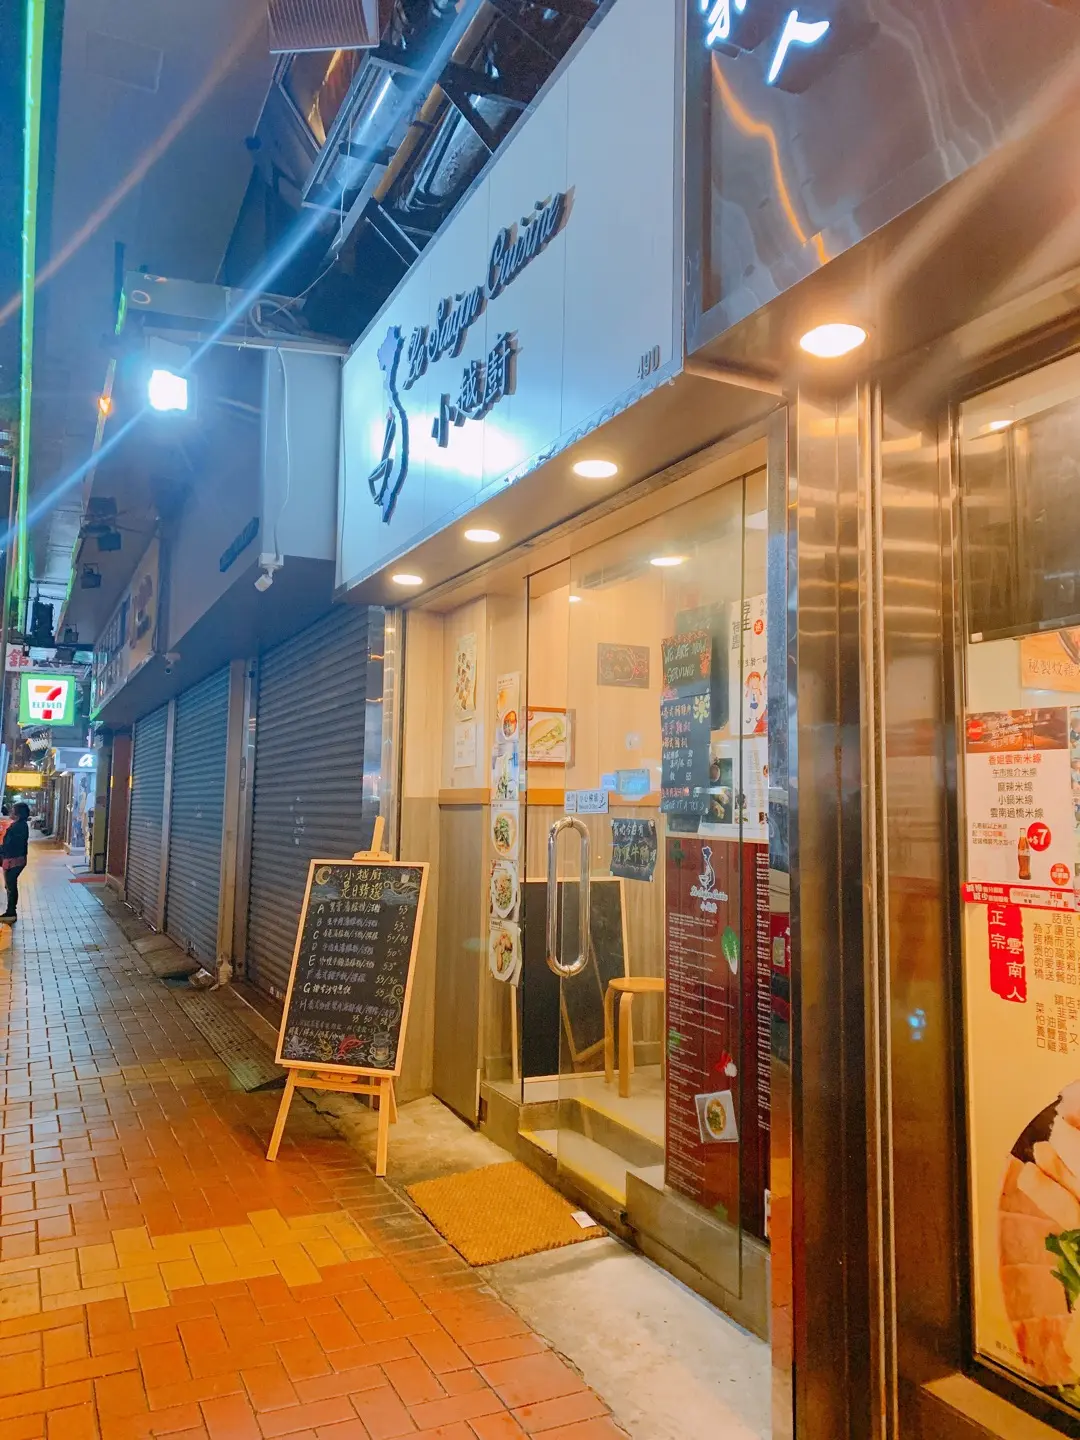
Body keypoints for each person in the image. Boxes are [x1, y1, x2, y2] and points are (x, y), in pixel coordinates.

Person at [1, 802, 31, 922]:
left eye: (13, 810)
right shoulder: (20, 825)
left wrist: (2, 850)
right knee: (10, 885)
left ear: (18, 813)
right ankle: (11, 911)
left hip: (14, 860)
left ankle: (11, 912)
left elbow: (11, 844)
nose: (10, 812)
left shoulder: (18, 827)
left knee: (11, 886)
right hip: (14, 859)